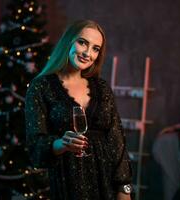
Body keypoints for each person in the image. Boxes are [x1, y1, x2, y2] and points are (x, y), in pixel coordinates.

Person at [25, 20, 132, 200]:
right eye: (82, 42)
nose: (87, 53)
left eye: (95, 49)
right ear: (68, 41)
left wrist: (124, 189)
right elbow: (35, 147)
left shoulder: (102, 88)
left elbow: (117, 142)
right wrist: (61, 144)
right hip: (65, 182)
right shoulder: (41, 87)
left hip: (107, 184)